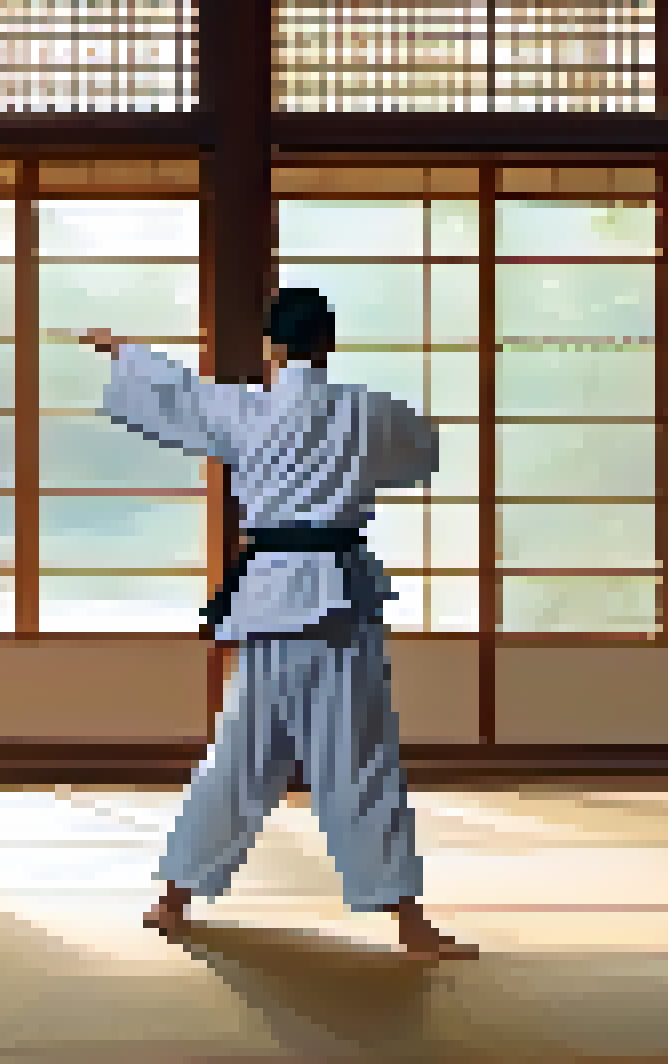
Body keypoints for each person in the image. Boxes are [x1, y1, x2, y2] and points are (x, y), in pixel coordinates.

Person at [78, 287, 477, 961]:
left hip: (270, 598)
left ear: (271, 346)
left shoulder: (245, 409)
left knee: (241, 751)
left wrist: (121, 350)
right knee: (360, 756)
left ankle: (173, 897)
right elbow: (421, 451)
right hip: (339, 599)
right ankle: (410, 925)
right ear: (328, 343)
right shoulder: (366, 411)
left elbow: (178, 392)